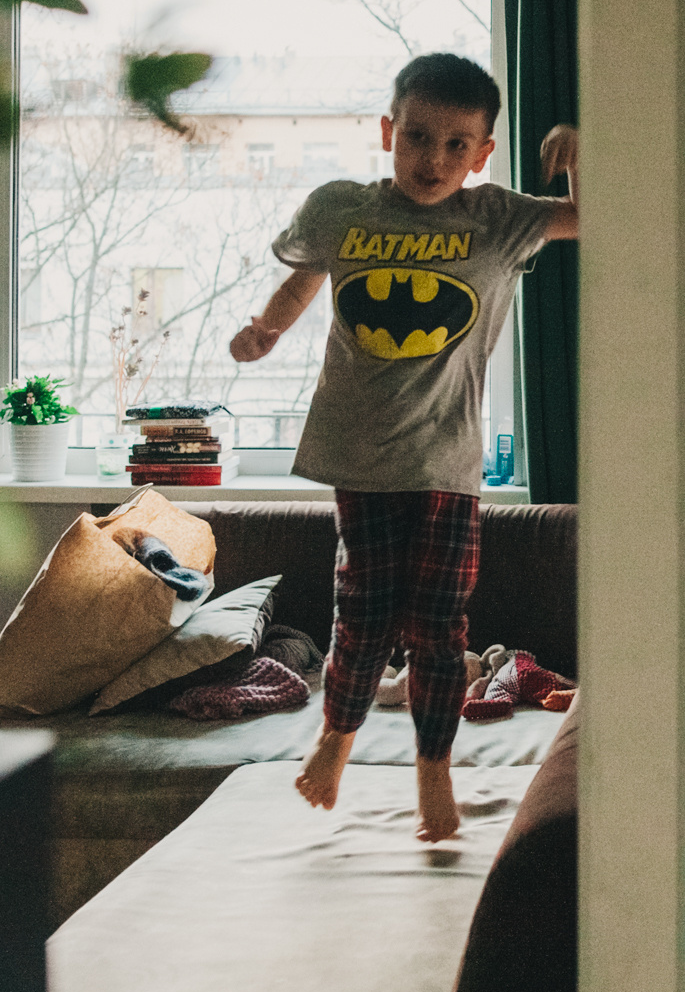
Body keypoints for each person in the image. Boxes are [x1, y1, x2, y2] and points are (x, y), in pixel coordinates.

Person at [228, 53, 579, 841]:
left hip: (448, 465)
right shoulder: (341, 210)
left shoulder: (496, 219)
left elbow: (592, 220)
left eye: (459, 145)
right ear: (388, 131)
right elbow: (308, 273)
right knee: (362, 616)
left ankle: (434, 772)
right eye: (418, 137)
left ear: (485, 152)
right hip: (359, 455)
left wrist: (582, 158)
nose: (435, 159)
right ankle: (336, 739)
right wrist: (268, 329)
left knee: (441, 627)